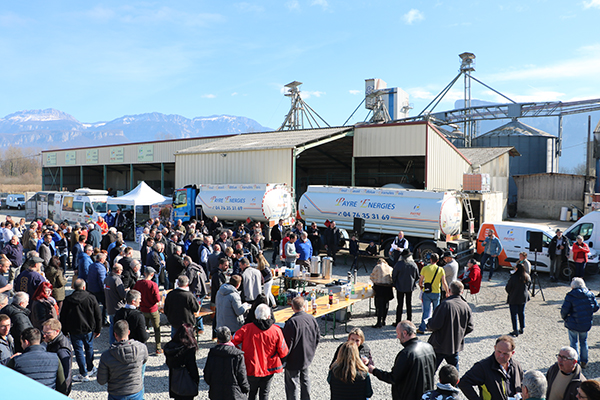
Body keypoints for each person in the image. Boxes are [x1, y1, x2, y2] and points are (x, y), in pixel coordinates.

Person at [232, 303, 289, 400]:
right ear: (269, 316)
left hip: (251, 366)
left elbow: (232, 342)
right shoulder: (276, 330)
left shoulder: (246, 329)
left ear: (255, 315)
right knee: (265, 393)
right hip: (269, 367)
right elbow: (284, 350)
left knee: (251, 392)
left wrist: (240, 353)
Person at [369, 320, 436, 400]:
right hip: (427, 396)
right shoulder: (429, 347)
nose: (397, 337)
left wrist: (374, 371)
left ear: (404, 333)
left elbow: (393, 378)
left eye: (398, 334)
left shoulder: (406, 354)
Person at [61, 278, 102, 382]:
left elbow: (63, 316)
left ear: (74, 287)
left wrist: (64, 331)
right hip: (88, 329)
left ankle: (83, 373)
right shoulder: (91, 298)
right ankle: (90, 368)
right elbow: (98, 315)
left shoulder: (68, 299)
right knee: (89, 348)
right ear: (84, 287)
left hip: (74, 330)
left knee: (78, 351)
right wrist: (98, 329)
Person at [458, 335, 524, 400]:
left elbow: (523, 384)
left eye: (505, 353)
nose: (501, 356)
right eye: (499, 352)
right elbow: (464, 383)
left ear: (512, 353)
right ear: (495, 348)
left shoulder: (516, 365)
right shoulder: (483, 367)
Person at [427, 281, 473, 370]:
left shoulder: (445, 304)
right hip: (454, 345)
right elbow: (470, 327)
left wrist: (428, 324)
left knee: (430, 370)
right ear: (462, 292)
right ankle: (456, 380)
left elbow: (434, 325)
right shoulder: (466, 306)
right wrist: (459, 334)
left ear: (449, 290)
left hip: (439, 344)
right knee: (454, 371)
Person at [97, 320, 149, 400]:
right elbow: (144, 360)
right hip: (135, 391)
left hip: (116, 394)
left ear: (115, 334)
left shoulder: (106, 355)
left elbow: (101, 380)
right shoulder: (142, 348)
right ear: (128, 332)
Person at [6, 327, 67, 394]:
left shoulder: (16, 361)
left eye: (21, 343)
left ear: (26, 342)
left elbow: (7, 384)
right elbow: (62, 387)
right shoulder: (55, 358)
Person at [282, 296, 320, 400]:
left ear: (292, 307)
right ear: (304, 306)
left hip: (293, 359)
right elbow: (317, 337)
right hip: (306, 356)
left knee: (292, 384)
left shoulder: (291, 322)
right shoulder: (312, 319)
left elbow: (287, 345)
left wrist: (283, 360)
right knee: (305, 380)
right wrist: (311, 351)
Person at [561, 277, 599, 368]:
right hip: (585, 323)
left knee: (573, 342)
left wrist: (565, 318)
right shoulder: (590, 294)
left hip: (573, 322)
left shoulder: (570, 295)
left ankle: (575, 362)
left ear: (573, 286)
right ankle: (584, 361)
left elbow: (564, 310)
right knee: (584, 341)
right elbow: (596, 307)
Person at [204, 326, 250, 399]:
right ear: (230, 337)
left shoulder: (213, 353)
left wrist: (213, 385)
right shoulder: (237, 355)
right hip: (234, 393)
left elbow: (207, 373)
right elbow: (241, 375)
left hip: (216, 392)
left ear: (218, 339)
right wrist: (246, 388)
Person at [164, 323, 200, 400]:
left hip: (174, 380)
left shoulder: (170, 347)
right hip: (187, 382)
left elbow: (168, 363)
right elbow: (192, 366)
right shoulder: (189, 349)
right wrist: (196, 380)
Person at [133, 267, 162, 354]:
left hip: (142, 309)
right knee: (157, 329)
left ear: (144, 273)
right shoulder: (153, 285)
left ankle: (142, 346)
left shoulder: (138, 283)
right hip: (152, 310)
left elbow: (133, 293)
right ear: (152, 275)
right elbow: (157, 299)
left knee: (143, 328)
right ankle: (158, 348)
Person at [418, 253, 449, 334]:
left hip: (427, 292)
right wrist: (447, 292)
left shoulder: (425, 268)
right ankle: (436, 328)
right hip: (436, 292)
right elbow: (444, 282)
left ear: (430, 259)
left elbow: (420, 281)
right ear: (438, 260)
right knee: (436, 311)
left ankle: (422, 328)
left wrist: (422, 287)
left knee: (426, 311)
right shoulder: (441, 269)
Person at [42, 318, 73, 395]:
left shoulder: (62, 350)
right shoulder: (54, 341)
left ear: (57, 331)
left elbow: (66, 373)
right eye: (43, 332)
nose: (44, 335)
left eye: (47, 333)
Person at [505, 261, 531, 337]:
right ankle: (522, 328)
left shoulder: (513, 277)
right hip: (523, 297)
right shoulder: (526, 277)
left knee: (514, 314)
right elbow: (528, 286)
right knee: (521, 313)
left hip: (514, 297)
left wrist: (510, 293)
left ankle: (515, 329)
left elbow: (508, 288)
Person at [104, 263, 127, 345]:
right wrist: (126, 291)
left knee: (112, 325)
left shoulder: (107, 278)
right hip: (118, 306)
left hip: (110, 305)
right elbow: (122, 294)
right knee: (118, 326)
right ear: (118, 271)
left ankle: (112, 343)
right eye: (121, 270)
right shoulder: (116, 280)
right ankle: (116, 343)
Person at [370, 258, 395, 328]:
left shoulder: (377, 266)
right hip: (388, 287)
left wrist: (375, 281)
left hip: (380, 287)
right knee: (386, 304)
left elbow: (372, 277)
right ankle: (383, 320)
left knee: (379, 305)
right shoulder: (390, 268)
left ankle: (379, 322)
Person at [88, 252, 109, 326]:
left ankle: (93, 321)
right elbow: (102, 280)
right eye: (104, 259)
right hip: (99, 290)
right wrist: (104, 290)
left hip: (91, 289)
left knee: (94, 306)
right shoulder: (101, 268)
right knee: (106, 305)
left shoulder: (91, 265)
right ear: (101, 259)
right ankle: (104, 321)